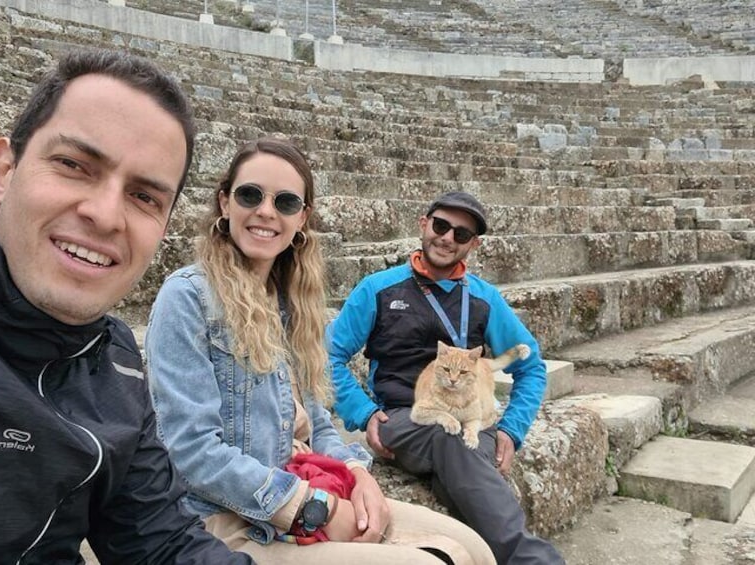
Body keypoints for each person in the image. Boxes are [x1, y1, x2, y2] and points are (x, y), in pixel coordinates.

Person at [0, 49, 252, 564]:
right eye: (73, 165)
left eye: (144, 197)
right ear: (2, 170)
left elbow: (160, 541)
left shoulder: (114, 360)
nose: (105, 214)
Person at [144, 138, 496, 565]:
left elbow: (319, 425)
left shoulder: (291, 305)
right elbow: (191, 452)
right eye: (250, 195)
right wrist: (312, 507)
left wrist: (358, 474)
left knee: (475, 549)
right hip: (228, 517)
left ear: (302, 218)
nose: (267, 211)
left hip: (307, 482)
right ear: (224, 203)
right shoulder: (187, 297)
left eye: (286, 201)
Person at [327, 191, 566, 565]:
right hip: (405, 418)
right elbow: (328, 356)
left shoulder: (485, 299)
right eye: (441, 226)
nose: (447, 238)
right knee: (452, 438)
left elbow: (531, 366)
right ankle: (531, 559)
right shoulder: (377, 289)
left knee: (457, 449)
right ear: (424, 224)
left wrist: (511, 429)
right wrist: (364, 412)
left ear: (474, 244)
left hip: (471, 416)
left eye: (461, 234)